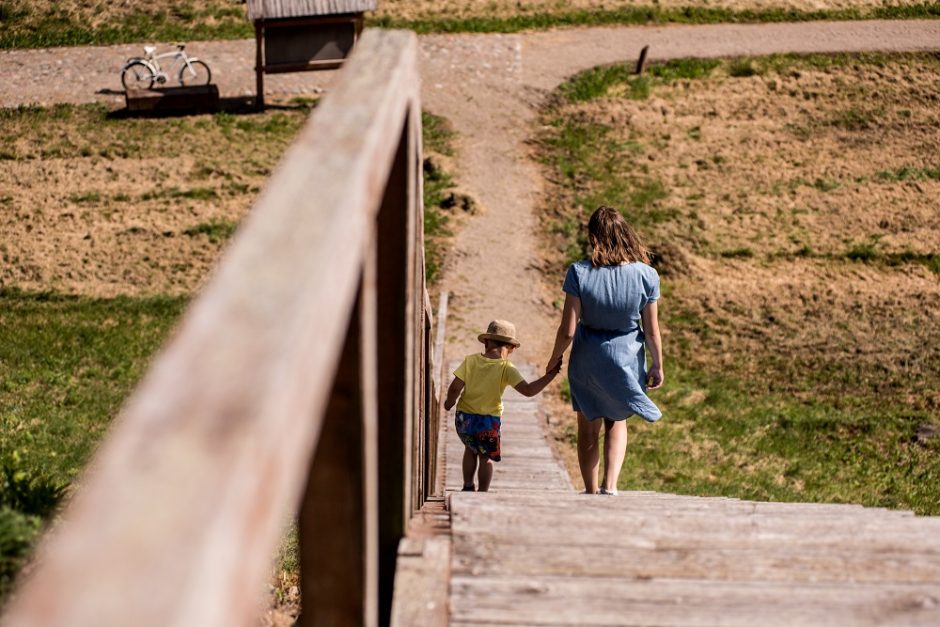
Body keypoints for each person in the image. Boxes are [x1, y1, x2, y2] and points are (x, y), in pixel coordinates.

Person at [546, 206, 664, 496]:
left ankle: (589, 489)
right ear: (626, 235)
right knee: (617, 420)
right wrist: (657, 365)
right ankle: (610, 486)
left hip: (587, 358)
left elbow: (568, 330)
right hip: (625, 358)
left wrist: (555, 357)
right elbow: (651, 330)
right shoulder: (646, 275)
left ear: (593, 237)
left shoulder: (579, 272)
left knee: (588, 427)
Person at [444, 319, 561, 492]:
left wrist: (449, 403)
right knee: (486, 456)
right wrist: (550, 376)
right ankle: (483, 492)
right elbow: (528, 390)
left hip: (464, 417)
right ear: (511, 348)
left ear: (486, 342)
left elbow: (455, 388)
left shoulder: (470, 361)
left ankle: (468, 485)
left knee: (470, 449)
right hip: (489, 421)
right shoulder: (507, 368)